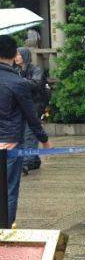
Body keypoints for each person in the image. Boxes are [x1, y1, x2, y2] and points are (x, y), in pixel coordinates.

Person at [0, 35, 51, 227]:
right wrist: (44, 139)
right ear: (14, 54)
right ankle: (5, 228)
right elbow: (31, 115)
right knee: (9, 189)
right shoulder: (18, 82)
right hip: (10, 142)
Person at [15, 47, 47, 174]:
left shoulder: (36, 69)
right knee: (25, 133)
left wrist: (19, 81)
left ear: (25, 56)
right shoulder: (16, 70)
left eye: (18, 54)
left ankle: (26, 163)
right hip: (22, 106)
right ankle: (34, 160)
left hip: (35, 105)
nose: (16, 57)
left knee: (29, 133)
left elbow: (36, 84)